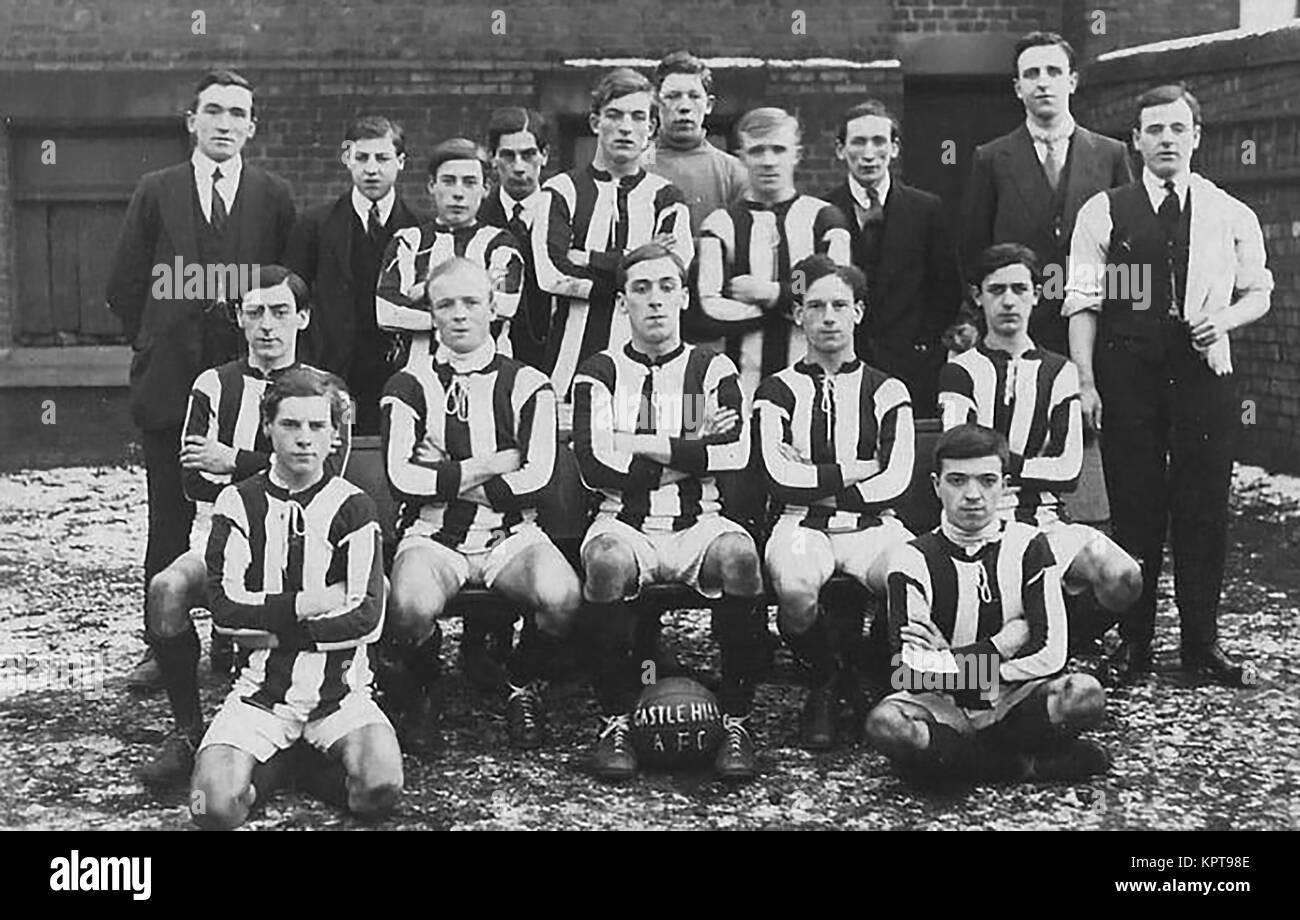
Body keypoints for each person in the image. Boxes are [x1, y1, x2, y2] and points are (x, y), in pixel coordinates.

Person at [1063, 84, 1272, 686]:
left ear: (1196, 136)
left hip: (1206, 377)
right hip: (1129, 375)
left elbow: (1261, 291)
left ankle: (1202, 643)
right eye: (1153, 130)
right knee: (1136, 506)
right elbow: (1082, 301)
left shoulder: (1229, 211)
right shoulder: (1106, 211)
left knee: (1204, 507)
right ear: (1136, 140)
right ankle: (1135, 642)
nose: (1166, 140)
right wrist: (1086, 381)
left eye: (1178, 129)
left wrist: (1223, 320)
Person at [106, 69, 296, 692]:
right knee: (170, 515)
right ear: (192, 120)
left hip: (250, 386)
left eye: (237, 113)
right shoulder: (156, 189)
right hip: (171, 382)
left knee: (249, 508)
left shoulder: (271, 195)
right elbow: (126, 284)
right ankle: (162, 645)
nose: (224, 123)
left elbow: (284, 288)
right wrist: (156, 337)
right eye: (212, 111)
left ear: (252, 126)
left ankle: (234, 637)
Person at [137, 266, 351, 788]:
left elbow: (328, 479)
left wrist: (231, 458)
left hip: (309, 545)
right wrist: (270, 471)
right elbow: (194, 483)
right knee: (165, 589)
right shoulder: (214, 384)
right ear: (238, 318)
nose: (267, 326)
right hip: (225, 535)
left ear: (302, 317)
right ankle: (189, 729)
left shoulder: (326, 389)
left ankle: (323, 725)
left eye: (280, 312)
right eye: (254, 312)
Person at [572, 243, 767, 782]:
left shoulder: (713, 365)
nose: (655, 300)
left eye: (665, 287)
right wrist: (688, 444)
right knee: (607, 563)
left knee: (741, 555)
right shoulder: (598, 372)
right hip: (622, 523)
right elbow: (596, 468)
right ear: (622, 304)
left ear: (683, 295)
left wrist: (638, 442)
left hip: (698, 522)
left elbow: (733, 455)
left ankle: (737, 718)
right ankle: (614, 720)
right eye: (640, 289)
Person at [380, 258, 580, 754]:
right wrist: (490, 463)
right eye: (446, 304)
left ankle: (521, 683)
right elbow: (402, 478)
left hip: (511, 534)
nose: (460, 314)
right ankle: (424, 692)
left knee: (563, 598)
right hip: (432, 535)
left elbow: (536, 476)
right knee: (407, 607)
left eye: (471, 302)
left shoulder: (529, 383)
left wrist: (443, 473)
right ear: (431, 313)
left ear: (493, 308)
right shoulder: (408, 385)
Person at [191, 367, 399, 829]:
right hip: (261, 695)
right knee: (210, 809)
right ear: (268, 428)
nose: (304, 439)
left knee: (380, 791)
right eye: (290, 425)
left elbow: (367, 618)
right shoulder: (238, 503)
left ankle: (301, 766)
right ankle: (280, 761)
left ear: (334, 435)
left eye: (317, 426)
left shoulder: (355, 506)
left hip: (340, 694)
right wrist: (314, 602)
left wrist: (271, 625)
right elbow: (224, 612)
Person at [865, 424, 1110, 788]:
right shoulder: (910, 557)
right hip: (941, 703)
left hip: (1010, 699)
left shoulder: (1030, 546)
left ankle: (962, 766)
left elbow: (1052, 653)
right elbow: (909, 670)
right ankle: (1018, 766)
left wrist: (951, 659)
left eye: (987, 480)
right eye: (958, 480)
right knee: (885, 725)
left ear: (1005, 486)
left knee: (1086, 694)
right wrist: (1002, 645)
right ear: (936, 485)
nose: (973, 495)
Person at [939, 244, 1141, 654]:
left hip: (1049, 522)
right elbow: (960, 458)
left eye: (1019, 288)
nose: (1009, 300)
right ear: (978, 296)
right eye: (996, 290)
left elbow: (1067, 470)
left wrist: (997, 462)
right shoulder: (960, 371)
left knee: (1124, 575)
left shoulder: (1061, 372)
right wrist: (1026, 463)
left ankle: (1063, 647)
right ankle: (1032, 653)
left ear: (1036, 293)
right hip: (982, 522)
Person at [755, 255, 915, 751]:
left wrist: (814, 475)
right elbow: (779, 480)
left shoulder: (887, 389)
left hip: (873, 524)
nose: (828, 317)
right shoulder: (776, 390)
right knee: (798, 590)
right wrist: (857, 468)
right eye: (815, 305)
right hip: (801, 525)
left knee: (912, 574)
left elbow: (898, 479)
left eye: (839, 305)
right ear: (797, 314)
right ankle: (824, 680)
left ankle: (872, 672)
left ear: (859, 313)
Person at [961, 31, 1132, 356]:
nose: (1043, 83)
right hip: (1022, 329)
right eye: (1031, 74)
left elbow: (1128, 242)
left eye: (1054, 72)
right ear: (1017, 88)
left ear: (1072, 81)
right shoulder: (991, 159)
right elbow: (974, 248)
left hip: (1095, 327)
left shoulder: (1110, 155)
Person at [534, 68, 693, 402]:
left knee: (656, 450)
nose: (625, 127)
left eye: (637, 117)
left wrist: (589, 258)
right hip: (570, 367)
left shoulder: (667, 197)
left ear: (651, 128)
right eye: (614, 115)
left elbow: (672, 274)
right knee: (574, 451)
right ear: (595, 123)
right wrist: (636, 269)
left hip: (653, 375)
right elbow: (551, 275)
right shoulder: (559, 191)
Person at [696, 107, 852, 403]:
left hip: (814, 386)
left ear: (796, 154)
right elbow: (709, 308)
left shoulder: (825, 218)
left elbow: (839, 294)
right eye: (757, 151)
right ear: (741, 156)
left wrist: (770, 293)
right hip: (739, 386)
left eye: (778, 149)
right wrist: (796, 305)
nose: (768, 161)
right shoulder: (719, 224)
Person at [821, 100, 959, 416]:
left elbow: (947, 286)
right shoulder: (821, 211)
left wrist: (924, 342)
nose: (869, 153)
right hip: (844, 361)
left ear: (894, 148)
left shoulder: (927, 209)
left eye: (879, 141)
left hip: (913, 364)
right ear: (841, 149)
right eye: (858, 142)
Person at [285, 115, 421, 435]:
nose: (372, 169)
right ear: (348, 160)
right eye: (362, 158)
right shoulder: (314, 225)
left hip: (400, 371)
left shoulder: (420, 228)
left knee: (395, 449)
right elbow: (293, 298)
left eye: (383, 158)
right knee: (343, 449)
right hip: (336, 373)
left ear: (400, 162)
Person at [375, 138, 524, 368]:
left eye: (469, 182)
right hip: (417, 371)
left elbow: (503, 305)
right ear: (432, 186)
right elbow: (387, 311)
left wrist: (424, 291)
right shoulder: (407, 241)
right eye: (448, 181)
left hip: (488, 375)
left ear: (485, 189)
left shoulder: (500, 244)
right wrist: (470, 303)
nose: (458, 193)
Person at [479, 107, 554, 372]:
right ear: (492, 158)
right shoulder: (476, 219)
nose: (519, 167)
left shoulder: (565, 213)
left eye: (529, 155)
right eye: (508, 156)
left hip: (553, 358)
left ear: (544, 156)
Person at [645, 50, 748, 235]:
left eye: (694, 96)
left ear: (708, 105)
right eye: (673, 96)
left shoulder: (734, 173)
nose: (684, 107)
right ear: (657, 103)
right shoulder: (637, 166)